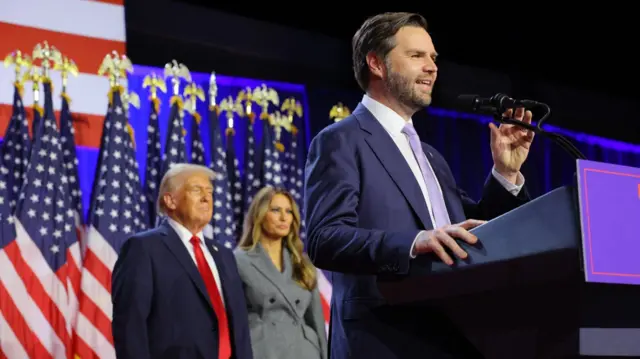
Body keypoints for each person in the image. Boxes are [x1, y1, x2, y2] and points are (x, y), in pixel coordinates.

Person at [303, 12, 534, 359]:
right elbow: (325, 238)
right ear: (376, 63)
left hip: (454, 337)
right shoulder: (340, 141)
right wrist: (414, 242)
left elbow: (476, 231)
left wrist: (505, 173)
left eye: (433, 58)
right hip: (385, 340)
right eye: (417, 56)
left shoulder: (431, 157)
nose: (432, 67)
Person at [111, 163, 253, 359]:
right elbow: (130, 327)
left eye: (210, 192)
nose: (206, 198)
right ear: (170, 200)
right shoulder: (143, 248)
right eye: (197, 190)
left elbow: (239, 327)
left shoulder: (224, 255)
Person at [234, 186, 328, 359]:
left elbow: (316, 319)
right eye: (276, 210)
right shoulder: (238, 261)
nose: (284, 218)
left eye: (289, 211)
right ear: (259, 214)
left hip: (305, 350)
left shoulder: (303, 262)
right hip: (264, 350)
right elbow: (234, 321)